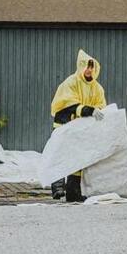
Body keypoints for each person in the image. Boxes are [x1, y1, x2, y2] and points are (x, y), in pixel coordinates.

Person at [49, 49, 106, 202]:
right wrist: (88, 110)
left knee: (78, 158)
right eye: (86, 66)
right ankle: (58, 188)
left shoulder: (97, 88)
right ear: (80, 67)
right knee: (61, 155)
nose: (89, 70)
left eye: (91, 67)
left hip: (81, 128)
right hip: (64, 124)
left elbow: (101, 107)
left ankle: (73, 192)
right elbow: (67, 105)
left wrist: (97, 112)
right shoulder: (70, 83)